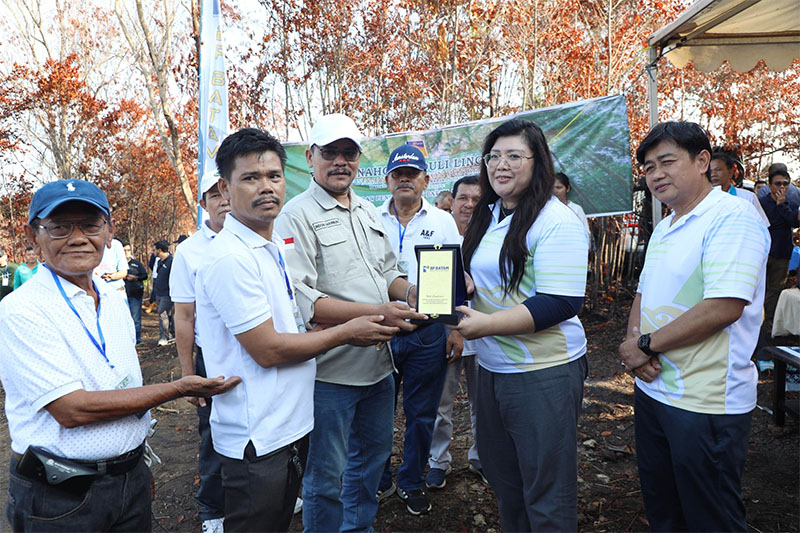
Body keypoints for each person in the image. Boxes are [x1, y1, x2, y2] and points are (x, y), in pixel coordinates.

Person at [0, 179, 240, 532]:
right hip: (61, 500)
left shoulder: (111, 300)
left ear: (109, 231)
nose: (79, 237)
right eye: (60, 227)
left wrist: (133, 467)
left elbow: (124, 384)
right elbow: (72, 409)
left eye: (91, 224)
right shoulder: (22, 310)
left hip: (128, 482)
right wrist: (177, 388)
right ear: (33, 236)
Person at [195, 128, 397, 532]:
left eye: (273, 176)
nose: (266, 187)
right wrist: (349, 331)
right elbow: (268, 350)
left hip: (288, 421)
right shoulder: (231, 258)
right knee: (277, 512)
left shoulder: (269, 248)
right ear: (225, 186)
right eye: (250, 178)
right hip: (258, 435)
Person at [275, 114, 425, 532]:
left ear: (359, 159)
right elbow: (305, 299)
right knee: (325, 476)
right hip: (331, 374)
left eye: (349, 153)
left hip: (379, 368)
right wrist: (377, 313)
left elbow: (388, 274)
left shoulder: (368, 210)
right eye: (330, 153)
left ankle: (358, 528)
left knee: (370, 466)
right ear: (310, 158)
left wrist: (416, 294)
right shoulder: (295, 216)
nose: (341, 161)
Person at [619, 121, 770, 531]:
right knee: (664, 508)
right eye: (649, 167)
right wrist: (634, 343)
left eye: (667, 161)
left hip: (705, 402)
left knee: (710, 516)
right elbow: (642, 294)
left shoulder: (733, 216)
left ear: (703, 160)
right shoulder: (667, 225)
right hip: (655, 391)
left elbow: (723, 306)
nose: (656, 175)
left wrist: (646, 345)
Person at [453, 119, 589, 531]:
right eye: (493, 156)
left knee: (546, 491)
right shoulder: (490, 214)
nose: (501, 164)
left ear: (538, 162)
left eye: (514, 155)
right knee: (506, 481)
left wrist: (488, 324)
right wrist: (464, 284)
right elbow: (483, 274)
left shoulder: (556, 219)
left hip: (541, 372)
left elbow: (561, 301)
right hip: (494, 368)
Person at [376, 145, 461, 515]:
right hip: (380, 329)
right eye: (398, 173)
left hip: (428, 332)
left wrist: (455, 329)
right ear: (388, 180)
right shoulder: (369, 217)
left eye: (412, 173)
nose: (405, 179)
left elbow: (455, 276)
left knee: (422, 413)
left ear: (426, 180)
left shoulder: (443, 221)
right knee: (375, 412)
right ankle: (379, 480)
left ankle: (411, 481)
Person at [170, 169, 230, 533]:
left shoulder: (257, 238)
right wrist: (187, 371)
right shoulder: (190, 252)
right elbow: (184, 316)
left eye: (227, 190)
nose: (223, 199)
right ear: (203, 203)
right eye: (214, 194)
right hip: (213, 360)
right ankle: (212, 509)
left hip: (261, 353)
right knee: (213, 434)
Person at [427, 175, 487, 489]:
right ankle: (438, 461)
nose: (469, 205)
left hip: (487, 335)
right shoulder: (440, 235)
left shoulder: (495, 236)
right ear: (452, 201)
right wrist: (453, 329)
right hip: (448, 333)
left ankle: (482, 459)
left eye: (477, 199)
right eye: (463, 198)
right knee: (441, 402)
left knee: (485, 404)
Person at [759, 163, 800, 328]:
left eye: (785, 184)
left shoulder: (791, 201)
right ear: (770, 185)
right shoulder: (761, 202)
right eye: (778, 183)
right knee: (760, 288)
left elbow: (793, 222)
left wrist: (782, 204)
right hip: (763, 252)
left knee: (775, 290)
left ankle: (769, 323)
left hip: (782, 253)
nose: (781, 187)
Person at [710, 148, 769, 226]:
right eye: (710, 171)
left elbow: (762, 226)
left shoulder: (748, 197)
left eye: (718, 169)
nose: (713, 174)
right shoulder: (702, 199)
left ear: (730, 172)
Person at [123, 242, 148, 344]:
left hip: (135, 294)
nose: (126, 252)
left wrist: (136, 278)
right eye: (124, 250)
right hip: (122, 295)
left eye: (128, 250)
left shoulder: (136, 264)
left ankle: (137, 339)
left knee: (135, 318)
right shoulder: (117, 264)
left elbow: (145, 275)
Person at [552, 171, 591, 236]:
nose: (554, 191)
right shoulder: (544, 210)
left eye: (559, 188)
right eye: (551, 188)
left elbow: (586, 232)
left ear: (568, 188)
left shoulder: (576, 209)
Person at [153, 239, 175, 346]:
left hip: (168, 294)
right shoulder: (159, 262)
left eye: (155, 250)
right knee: (167, 315)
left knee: (162, 313)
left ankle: (164, 337)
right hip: (159, 293)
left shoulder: (172, 261)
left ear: (160, 250)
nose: (154, 252)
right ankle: (171, 335)